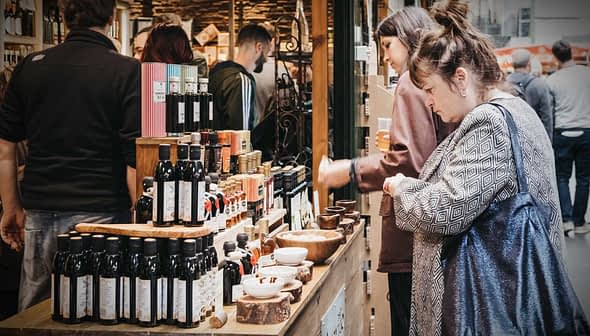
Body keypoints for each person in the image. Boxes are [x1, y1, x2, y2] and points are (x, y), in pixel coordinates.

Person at [382, 0, 563, 334]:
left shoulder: (488, 122)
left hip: (492, 306)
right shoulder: (514, 110)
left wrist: (401, 189)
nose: (429, 102)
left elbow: (447, 208)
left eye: (431, 89)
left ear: (460, 78)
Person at [318, 8, 456, 336]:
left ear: (409, 40)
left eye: (388, 45)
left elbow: (410, 161)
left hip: (413, 234)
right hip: (437, 229)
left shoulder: (411, 81)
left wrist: (349, 171)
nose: (385, 56)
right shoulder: (438, 78)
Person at [0, 0, 140, 311]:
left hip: (39, 212)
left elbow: (5, 146)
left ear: (64, 18)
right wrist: (142, 219)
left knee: (33, 316)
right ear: (113, 17)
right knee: (95, 312)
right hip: (101, 215)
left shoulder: (30, 65)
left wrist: (11, 207)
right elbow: (134, 157)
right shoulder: (128, 71)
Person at [547, 40, 590, 235]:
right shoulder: (586, 74)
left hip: (562, 133)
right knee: (584, 179)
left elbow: (549, 111)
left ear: (555, 57)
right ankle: (580, 222)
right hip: (586, 131)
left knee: (562, 177)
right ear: (571, 53)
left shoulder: (552, 80)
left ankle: (567, 220)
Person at [209, 23, 271, 131]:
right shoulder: (242, 80)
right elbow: (242, 134)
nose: (266, 59)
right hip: (231, 146)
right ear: (258, 47)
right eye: (267, 53)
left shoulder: (217, 72)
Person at [507, 48, 553, 140]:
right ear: (529, 64)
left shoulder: (503, 84)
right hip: (535, 137)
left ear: (513, 65)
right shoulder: (540, 84)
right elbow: (546, 117)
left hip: (511, 137)